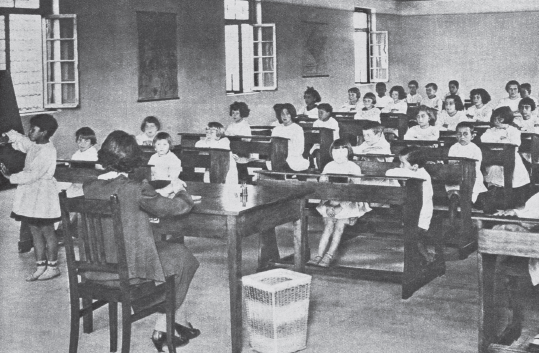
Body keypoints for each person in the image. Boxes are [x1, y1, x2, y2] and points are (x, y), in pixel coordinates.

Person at [82, 130, 200, 350]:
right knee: (184, 257)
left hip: (95, 270)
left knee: (171, 254)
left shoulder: (90, 187)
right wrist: (181, 191)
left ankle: (179, 321)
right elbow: (176, 208)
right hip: (129, 272)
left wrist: (159, 192)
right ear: (133, 159)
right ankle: (162, 326)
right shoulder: (134, 188)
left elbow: (137, 201)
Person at [0, 114, 61, 281]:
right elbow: (22, 141)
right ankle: (40, 266)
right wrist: (8, 137)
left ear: (44, 132)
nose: (29, 132)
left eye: (33, 129)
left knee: (47, 231)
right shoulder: (35, 145)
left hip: (43, 196)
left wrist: (10, 177)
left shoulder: (48, 150)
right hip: (32, 196)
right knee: (34, 230)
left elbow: (33, 174)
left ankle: (53, 266)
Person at [307, 139, 371, 267]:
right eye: (336, 151)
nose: (339, 154)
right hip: (329, 201)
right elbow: (322, 187)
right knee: (328, 227)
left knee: (339, 228)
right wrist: (328, 205)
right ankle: (319, 255)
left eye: (343, 151)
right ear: (331, 152)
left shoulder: (353, 167)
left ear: (349, 152)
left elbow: (355, 192)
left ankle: (329, 256)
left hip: (348, 203)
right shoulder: (329, 166)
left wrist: (340, 207)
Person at [385, 147, 436, 263]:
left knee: (416, 237)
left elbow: (392, 172)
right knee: (414, 237)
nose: (400, 166)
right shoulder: (412, 171)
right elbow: (390, 173)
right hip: (413, 210)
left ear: (415, 166)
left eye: (403, 163)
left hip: (423, 213)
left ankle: (427, 257)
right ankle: (421, 257)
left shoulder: (422, 175)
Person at [480, 106, 530, 212]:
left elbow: (515, 142)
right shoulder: (491, 130)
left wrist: (502, 139)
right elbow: (484, 139)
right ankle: (494, 197)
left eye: (500, 118)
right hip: (494, 157)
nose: (497, 121)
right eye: (496, 118)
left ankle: (512, 200)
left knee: (515, 171)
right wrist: (499, 139)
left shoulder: (513, 130)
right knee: (493, 169)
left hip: (511, 157)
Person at [445, 122, 487, 203]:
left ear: (472, 136)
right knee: (453, 188)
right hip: (456, 174)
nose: (462, 137)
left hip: (472, 175)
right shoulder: (453, 148)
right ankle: (455, 197)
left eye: (465, 134)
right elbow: (452, 164)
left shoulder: (475, 149)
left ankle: (469, 201)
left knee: (472, 191)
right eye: (459, 134)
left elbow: (476, 167)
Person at [271, 103, 309, 172]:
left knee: (284, 163)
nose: (284, 116)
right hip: (277, 157)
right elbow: (272, 144)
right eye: (282, 114)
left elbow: (299, 149)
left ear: (292, 114)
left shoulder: (297, 129)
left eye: (287, 114)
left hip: (293, 157)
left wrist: (285, 153)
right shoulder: (276, 129)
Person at [310, 103, 340, 170]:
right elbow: (314, 135)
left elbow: (335, 137)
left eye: (321, 113)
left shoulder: (333, 122)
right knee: (316, 151)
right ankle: (317, 169)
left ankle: (322, 169)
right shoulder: (316, 122)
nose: (319, 115)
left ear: (328, 113)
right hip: (318, 144)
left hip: (331, 145)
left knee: (321, 152)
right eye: (318, 113)